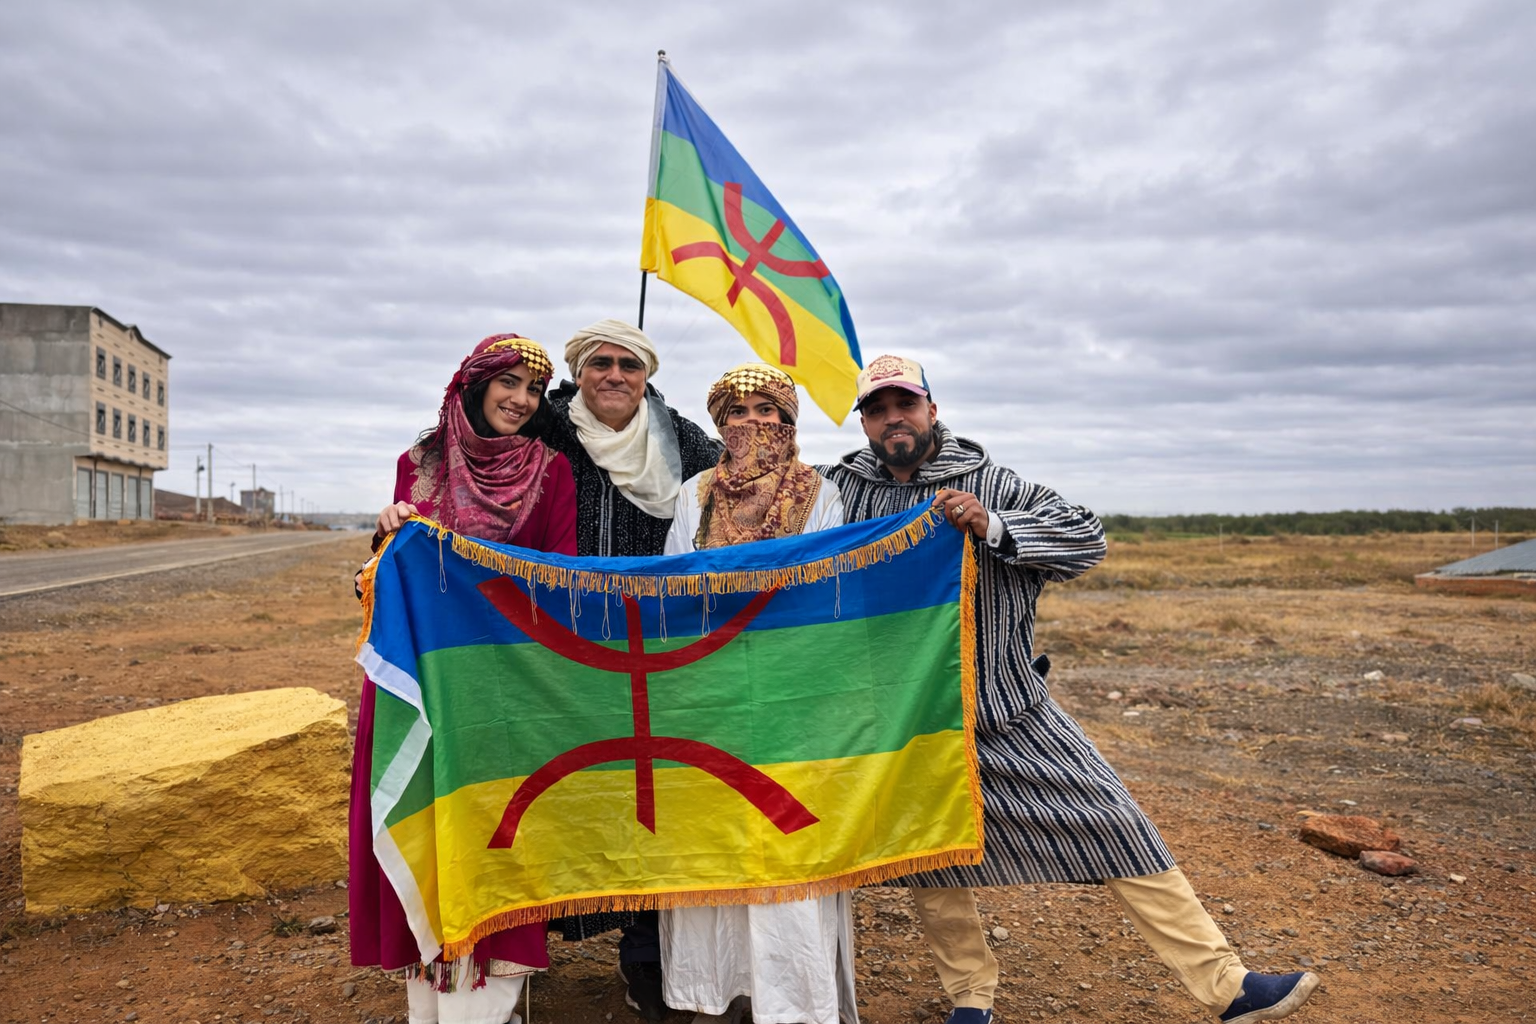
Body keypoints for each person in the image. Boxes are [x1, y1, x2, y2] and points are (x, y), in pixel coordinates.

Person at [819, 355, 1321, 1024]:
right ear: (865, 422)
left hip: (1007, 704)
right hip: (906, 714)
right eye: (877, 410)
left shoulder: (993, 481)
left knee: (1117, 822)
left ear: (932, 410)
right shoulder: (840, 492)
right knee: (932, 858)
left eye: (905, 404)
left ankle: (1227, 986)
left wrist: (992, 526)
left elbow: (1087, 537)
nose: (893, 419)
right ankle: (971, 997)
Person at [350, 333, 577, 1024]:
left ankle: (491, 995)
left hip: (505, 677)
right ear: (475, 383)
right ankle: (431, 977)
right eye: (510, 383)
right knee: (425, 813)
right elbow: (394, 573)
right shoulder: (417, 465)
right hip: (421, 677)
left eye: (534, 390)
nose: (522, 400)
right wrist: (391, 532)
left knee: (497, 824)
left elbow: (564, 578)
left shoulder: (552, 471)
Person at [658, 363, 854, 1024]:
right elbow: (673, 588)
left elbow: (826, 584)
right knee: (713, 838)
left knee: (788, 837)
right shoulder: (693, 496)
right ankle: (717, 993)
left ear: (789, 421)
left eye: (768, 410)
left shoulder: (821, 494)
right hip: (710, 689)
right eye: (737, 411)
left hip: (792, 694)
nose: (753, 422)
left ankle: (794, 1001)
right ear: (719, 422)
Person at [539, 318, 723, 1020]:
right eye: (600, 363)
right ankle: (516, 943)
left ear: (647, 375)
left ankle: (647, 955)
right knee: (577, 793)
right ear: (578, 371)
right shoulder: (545, 430)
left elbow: (739, 502)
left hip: (665, 654)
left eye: (629, 365)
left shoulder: (686, 441)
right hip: (566, 653)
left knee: (658, 802)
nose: (614, 375)